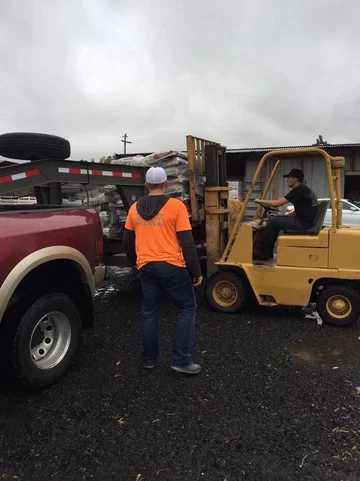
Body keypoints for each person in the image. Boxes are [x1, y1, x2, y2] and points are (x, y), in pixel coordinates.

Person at [123, 166, 203, 374]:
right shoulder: (176, 207)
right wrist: (195, 271)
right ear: (167, 183)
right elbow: (186, 242)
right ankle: (181, 361)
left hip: (146, 268)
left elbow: (127, 241)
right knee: (186, 308)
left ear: (146, 185)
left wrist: (135, 262)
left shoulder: (134, 208)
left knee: (150, 312)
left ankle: (148, 360)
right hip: (172, 267)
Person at [253, 168, 319, 261]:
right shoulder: (304, 189)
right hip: (306, 221)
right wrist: (284, 217)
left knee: (272, 222)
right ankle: (268, 252)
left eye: (289, 178)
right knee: (275, 219)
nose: (287, 180)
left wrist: (259, 200)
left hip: (304, 223)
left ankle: (263, 252)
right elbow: (301, 210)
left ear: (295, 179)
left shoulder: (299, 189)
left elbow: (277, 203)